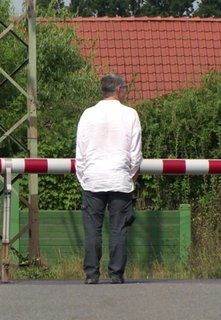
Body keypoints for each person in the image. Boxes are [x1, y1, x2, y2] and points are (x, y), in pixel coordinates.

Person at [75, 73, 143, 284]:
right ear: (119, 90)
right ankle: (116, 274)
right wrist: (131, 174)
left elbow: (81, 151)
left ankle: (91, 274)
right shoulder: (130, 114)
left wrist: (84, 177)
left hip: (93, 178)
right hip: (119, 178)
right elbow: (135, 151)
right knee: (118, 229)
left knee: (92, 230)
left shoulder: (87, 114)